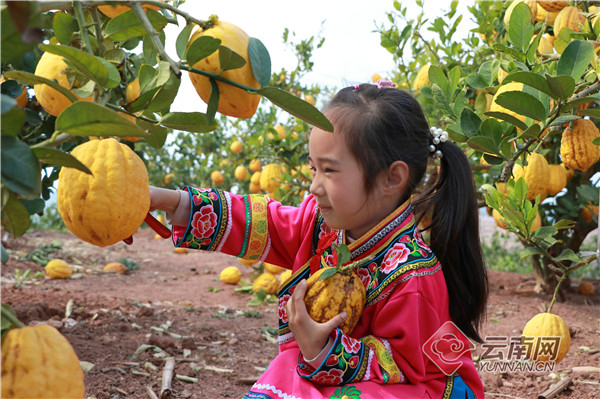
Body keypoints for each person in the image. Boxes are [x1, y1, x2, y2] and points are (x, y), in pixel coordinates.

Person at [149, 80, 488, 398]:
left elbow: (405, 364)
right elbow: (260, 223)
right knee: (290, 366)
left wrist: (323, 350)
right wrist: (172, 201)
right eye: (313, 169)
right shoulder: (322, 224)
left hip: (424, 387)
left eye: (329, 170)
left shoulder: (412, 276)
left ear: (391, 178)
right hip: (345, 371)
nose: (314, 186)